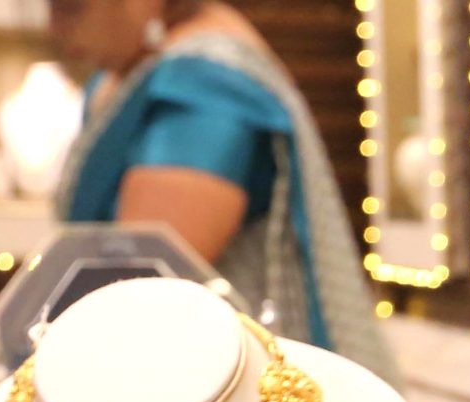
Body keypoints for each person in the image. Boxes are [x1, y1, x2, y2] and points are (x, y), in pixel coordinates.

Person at [45, 0, 396, 380]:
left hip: (231, 394)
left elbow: (140, 289)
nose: (55, 27)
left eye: (70, 6)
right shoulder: (147, 70)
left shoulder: (202, 89)